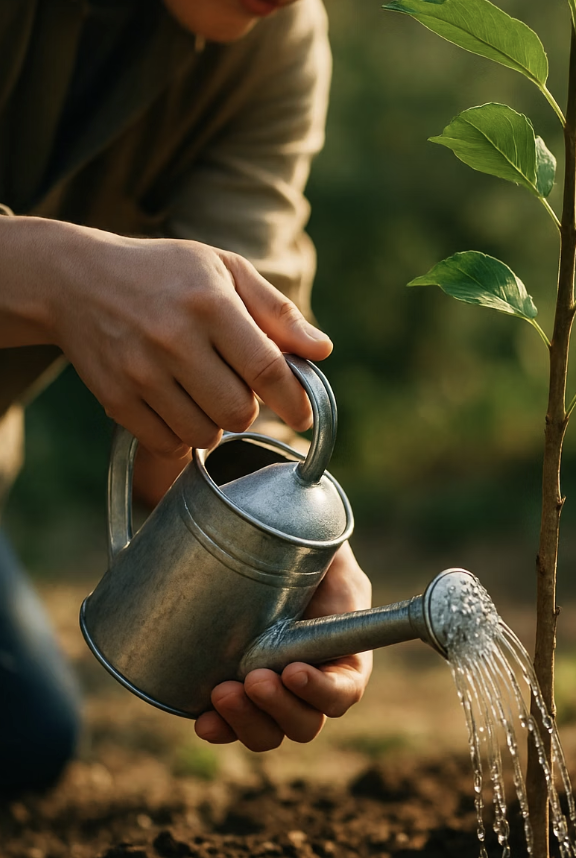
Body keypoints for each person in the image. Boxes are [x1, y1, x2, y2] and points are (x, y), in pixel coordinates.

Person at [0, 0, 372, 793]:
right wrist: (54, 275)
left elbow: (227, 411)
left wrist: (281, 550)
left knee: (26, 739)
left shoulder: (273, 42)